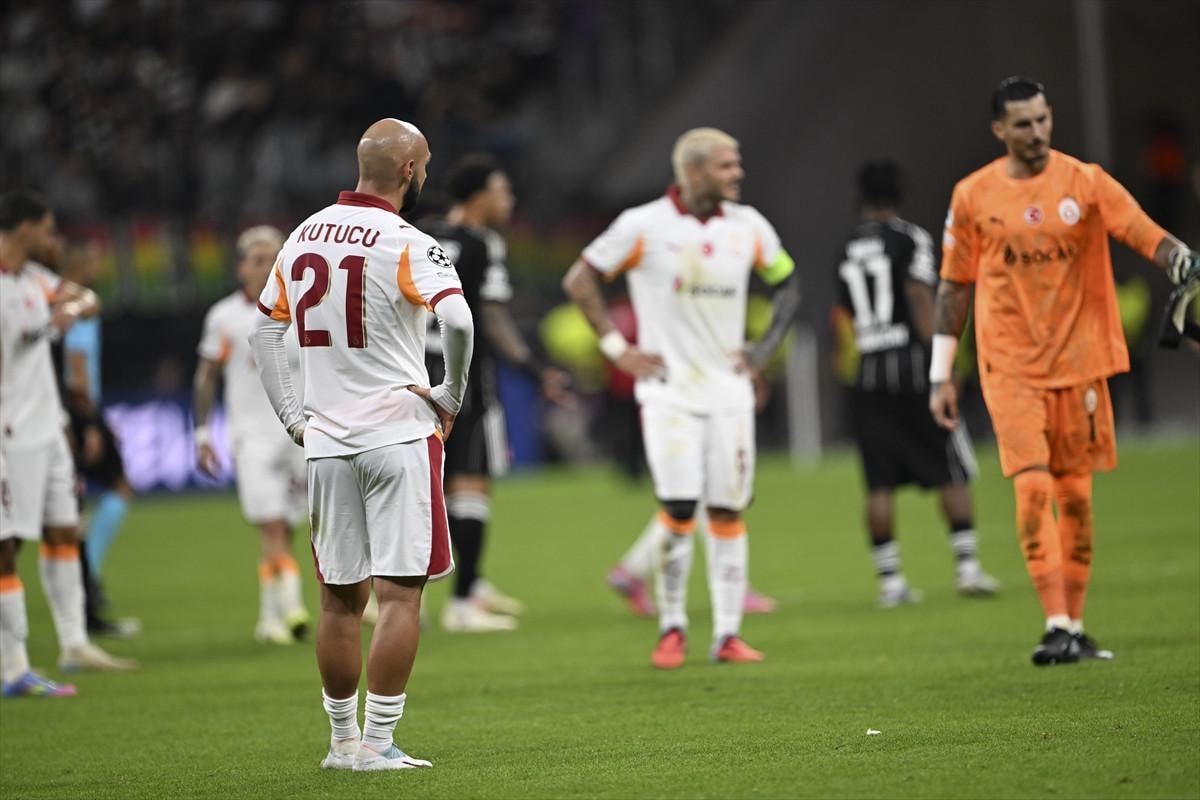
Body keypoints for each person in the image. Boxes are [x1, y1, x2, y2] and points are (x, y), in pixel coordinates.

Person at [930, 77, 1200, 666]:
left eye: (1043, 119)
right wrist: (940, 373)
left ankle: (1075, 627)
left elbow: (1141, 231)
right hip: (1010, 367)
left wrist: (1179, 258)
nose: (1037, 132)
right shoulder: (973, 195)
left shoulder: (1086, 182)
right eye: (1023, 124)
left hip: (1080, 365)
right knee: (1032, 491)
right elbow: (953, 285)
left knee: (1075, 499)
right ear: (999, 130)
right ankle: (1054, 622)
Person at [250, 118, 473, 770]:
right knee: (399, 597)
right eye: (424, 164)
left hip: (325, 442)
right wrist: (450, 394)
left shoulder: (303, 235)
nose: (425, 173)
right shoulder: (408, 241)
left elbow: (265, 331)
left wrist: (294, 418)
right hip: (397, 434)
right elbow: (458, 318)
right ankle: (378, 742)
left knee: (339, 601)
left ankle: (341, 742)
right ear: (408, 171)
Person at [562, 127, 801, 669]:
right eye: (726, 166)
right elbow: (580, 279)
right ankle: (672, 628)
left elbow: (788, 281)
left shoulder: (749, 225)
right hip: (669, 395)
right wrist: (617, 349)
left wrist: (763, 350)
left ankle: (728, 635)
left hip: (729, 394)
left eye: (736, 164)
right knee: (678, 507)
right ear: (693, 171)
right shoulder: (643, 225)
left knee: (728, 509)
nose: (738, 174)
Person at [832, 160, 999, 607]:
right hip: (913, 371)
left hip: (868, 375)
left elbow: (844, 316)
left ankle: (890, 582)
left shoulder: (846, 247)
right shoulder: (911, 239)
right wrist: (943, 363)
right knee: (949, 466)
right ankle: (967, 568)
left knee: (878, 484)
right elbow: (919, 295)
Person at [423, 154, 568, 632]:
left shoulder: (419, 235)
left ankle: (444, 589)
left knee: (419, 486)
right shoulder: (483, 243)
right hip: (462, 377)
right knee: (471, 482)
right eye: (502, 190)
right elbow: (493, 316)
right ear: (479, 195)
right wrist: (534, 368)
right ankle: (463, 600)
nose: (510, 199)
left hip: (409, 372)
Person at [1, 191, 136, 698]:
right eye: (47, 229)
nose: (53, 239)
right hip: (9, 434)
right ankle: (13, 667)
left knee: (62, 532)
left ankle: (74, 643)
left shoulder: (36, 279)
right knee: (7, 547)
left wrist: (70, 307)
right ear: (24, 229)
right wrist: (45, 326)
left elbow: (89, 300)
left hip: (49, 428)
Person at [193, 225, 310, 645]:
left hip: (299, 437)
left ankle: (269, 618)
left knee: (289, 526)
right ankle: (293, 609)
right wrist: (202, 433)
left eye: (274, 259)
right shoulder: (224, 317)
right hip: (252, 439)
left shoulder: (305, 308)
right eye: (258, 260)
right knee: (272, 526)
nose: (266, 267)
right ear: (241, 267)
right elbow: (206, 375)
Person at [58, 239, 140, 637]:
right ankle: (87, 573)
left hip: (77, 410)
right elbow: (76, 369)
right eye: (92, 258)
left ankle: (86, 577)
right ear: (78, 263)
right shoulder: (75, 308)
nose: (98, 264)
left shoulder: (62, 303)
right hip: (78, 412)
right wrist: (90, 422)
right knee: (109, 492)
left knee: (80, 503)